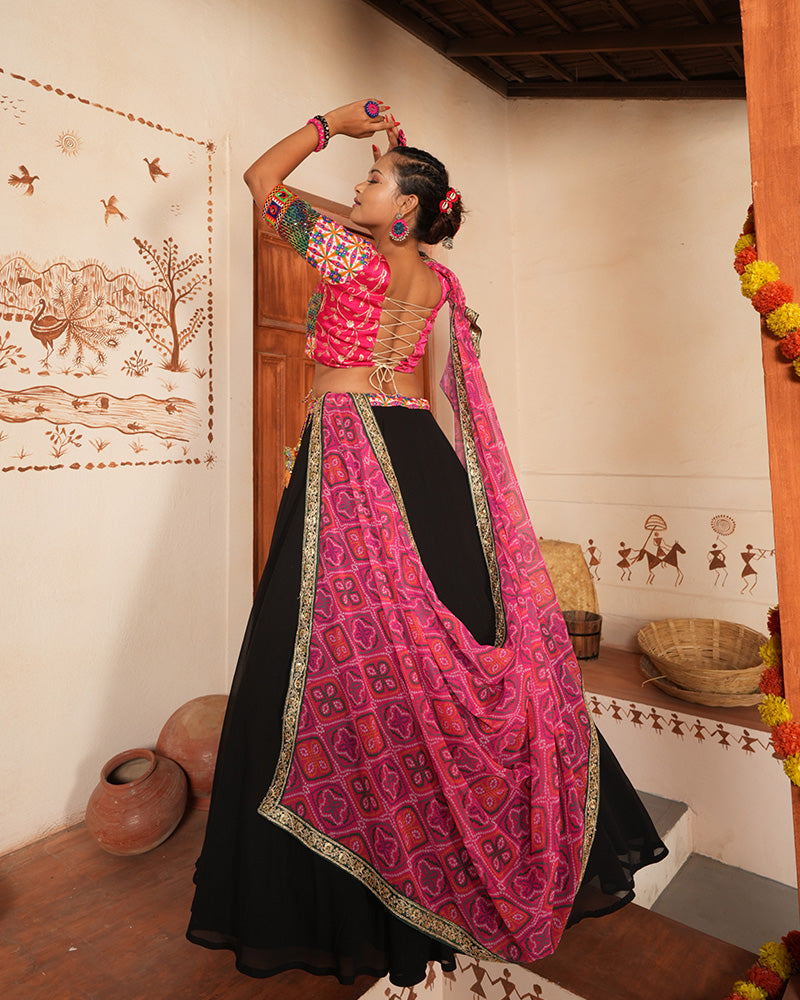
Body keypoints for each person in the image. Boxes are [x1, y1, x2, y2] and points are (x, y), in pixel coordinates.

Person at [187, 99, 667, 988]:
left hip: (352, 454)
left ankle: (351, 876)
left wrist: (332, 122)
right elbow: (425, 372)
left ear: (405, 207)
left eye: (373, 180)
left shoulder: (351, 259)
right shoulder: (437, 285)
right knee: (432, 644)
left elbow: (260, 179)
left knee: (331, 649)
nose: (358, 186)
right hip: (418, 452)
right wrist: (384, 149)